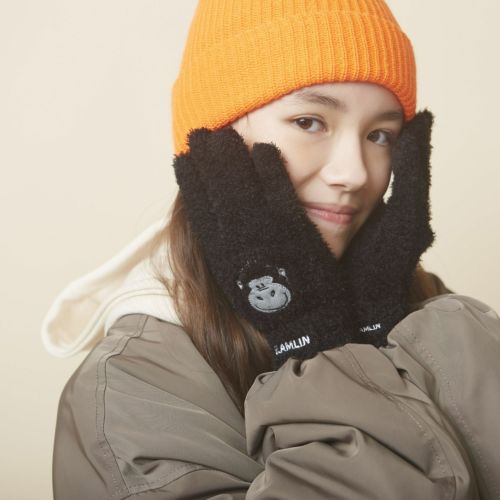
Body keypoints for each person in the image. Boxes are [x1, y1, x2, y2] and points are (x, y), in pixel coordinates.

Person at [43, 0, 500, 498]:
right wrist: (311, 339)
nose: (354, 173)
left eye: (379, 135)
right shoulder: (133, 390)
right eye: (309, 122)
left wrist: (391, 328)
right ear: (215, 142)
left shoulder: (416, 307)